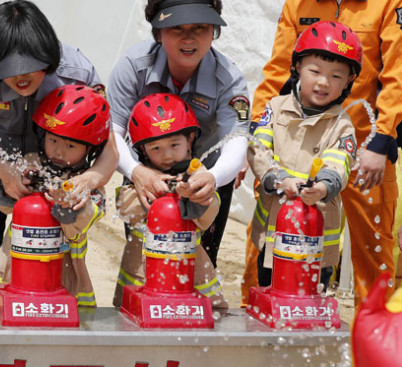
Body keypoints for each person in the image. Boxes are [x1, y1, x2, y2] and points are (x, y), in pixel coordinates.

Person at [0, 0, 118, 305]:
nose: (20, 78)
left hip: (59, 171)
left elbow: (109, 148)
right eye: (8, 70)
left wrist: (88, 180)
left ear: (49, 57)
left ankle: (47, 327)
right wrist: (4, 171)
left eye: (30, 67)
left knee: (54, 252)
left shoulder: (78, 71)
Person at [241, 0, 402, 308]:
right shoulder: (298, 5)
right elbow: (278, 68)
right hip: (295, 144)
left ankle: (372, 340)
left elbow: (397, 71)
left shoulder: (387, 4)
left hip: (365, 150)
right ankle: (254, 319)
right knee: (264, 238)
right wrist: (256, 133)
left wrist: (382, 138)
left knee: (374, 247)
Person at [108, 0, 249, 296]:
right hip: (143, 176)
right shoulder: (133, 67)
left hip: (206, 179)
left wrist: (213, 177)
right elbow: (113, 133)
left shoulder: (229, 78)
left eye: (199, 27)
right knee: (143, 261)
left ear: (214, 31)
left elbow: (237, 139)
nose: (189, 38)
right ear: (158, 33)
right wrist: (137, 172)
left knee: (200, 264)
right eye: (176, 28)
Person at [248, 21, 360, 286]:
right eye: (315, 70)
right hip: (274, 237)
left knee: (309, 308)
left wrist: (322, 187)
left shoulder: (342, 125)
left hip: (316, 241)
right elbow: (258, 149)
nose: (324, 82)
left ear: (349, 80)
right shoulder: (275, 108)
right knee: (271, 296)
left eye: (336, 76)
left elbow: (339, 163)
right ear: (297, 67)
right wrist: (276, 178)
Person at [0, 85, 110, 307]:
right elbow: (2, 203)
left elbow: (87, 219)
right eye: (53, 140)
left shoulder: (88, 185)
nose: (59, 151)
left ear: (92, 149)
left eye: (70, 145)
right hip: (13, 269)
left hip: (63, 276)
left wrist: (70, 204)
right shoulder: (32, 162)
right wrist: (15, 186)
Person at [114, 93, 228, 308]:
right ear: (142, 150)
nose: (167, 156)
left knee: (203, 317)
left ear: (190, 140)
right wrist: (156, 191)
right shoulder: (142, 176)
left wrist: (191, 196)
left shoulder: (197, 173)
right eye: (156, 148)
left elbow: (207, 216)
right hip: (141, 268)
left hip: (190, 269)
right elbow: (125, 209)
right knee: (134, 318)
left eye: (174, 145)